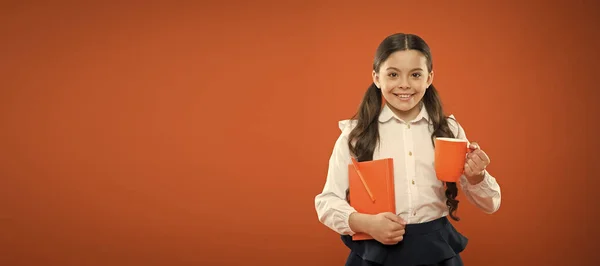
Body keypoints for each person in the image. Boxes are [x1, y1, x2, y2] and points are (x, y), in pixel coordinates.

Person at [314, 33, 502, 266]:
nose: (404, 84)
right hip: (376, 252)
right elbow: (327, 201)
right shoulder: (355, 135)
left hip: (436, 249)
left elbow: (491, 204)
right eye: (393, 74)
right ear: (376, 77)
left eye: (415, 75)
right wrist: (366, 224)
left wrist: (477, 176)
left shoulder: (448, 130)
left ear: (429, 77)